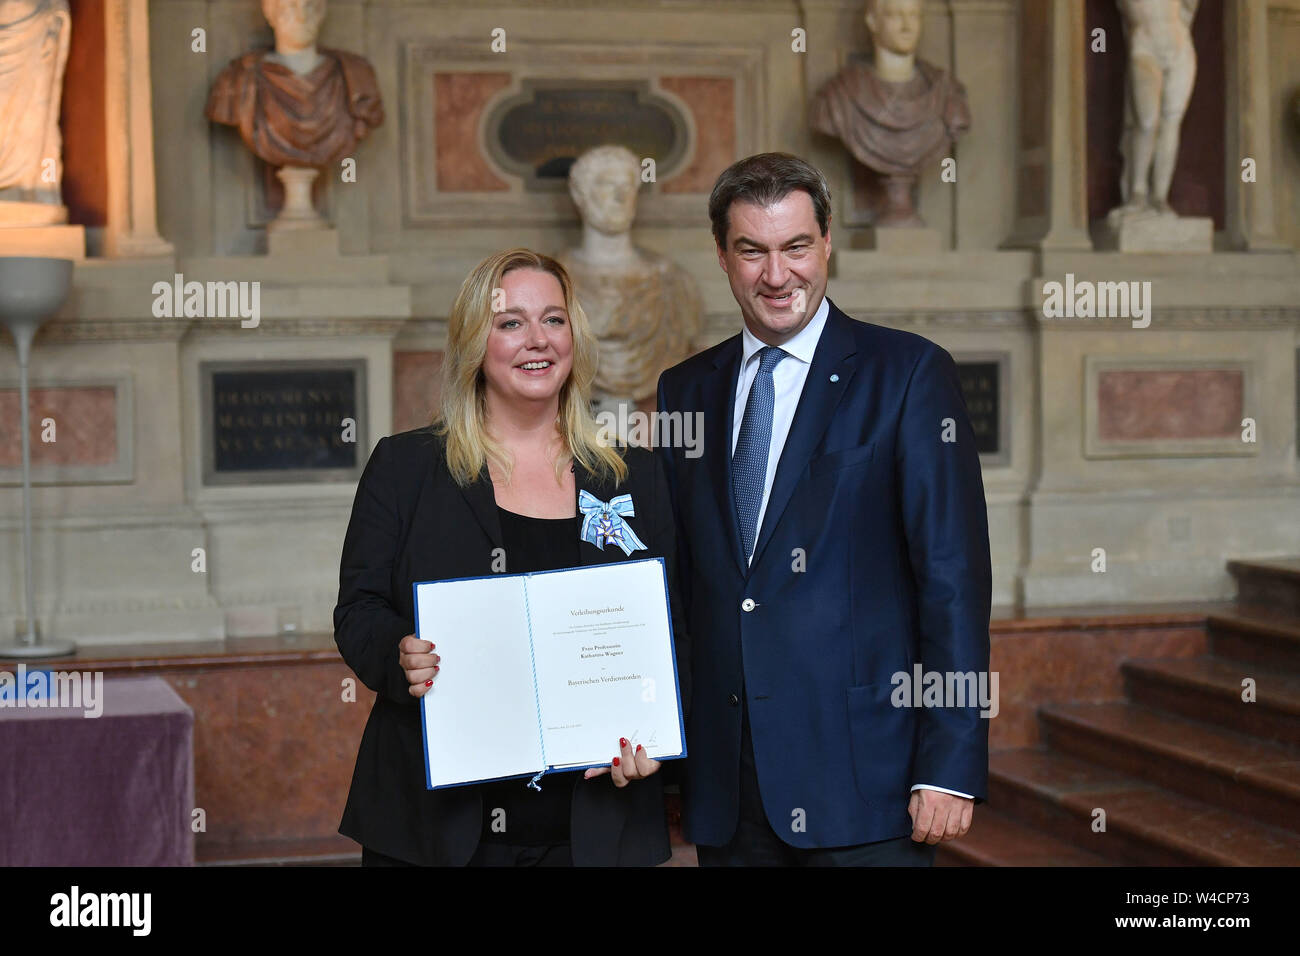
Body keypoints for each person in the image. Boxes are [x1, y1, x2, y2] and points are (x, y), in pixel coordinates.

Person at [656, 152, 991, 866]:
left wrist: (950, 763)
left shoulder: (908, 375)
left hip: (865, 780)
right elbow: (678, 584)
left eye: (795, 247)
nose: (777, 276)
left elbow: (953, 580)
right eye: (752, 251)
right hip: (730, 788)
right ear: (722, 256)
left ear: (827, 241)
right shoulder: (685, 390)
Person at [334, 248, 688, 866]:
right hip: (436, 829)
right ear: (476, 341)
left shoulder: (634, 477)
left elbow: (674, 630)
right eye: (510, 322)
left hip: (594, 828)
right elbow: (358, 609)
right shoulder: (406, 468)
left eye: (554, 319)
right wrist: (399, 654)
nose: (537, 340)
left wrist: (660, 738)